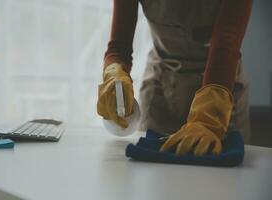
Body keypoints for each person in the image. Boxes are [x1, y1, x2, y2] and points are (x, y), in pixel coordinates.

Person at [97, 0, 252, 156]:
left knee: (221, 176)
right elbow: (119, 47)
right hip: (160, 88)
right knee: (152, 173)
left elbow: (227, 39)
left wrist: (209, 120)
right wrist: (114, 72)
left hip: (220, 87)